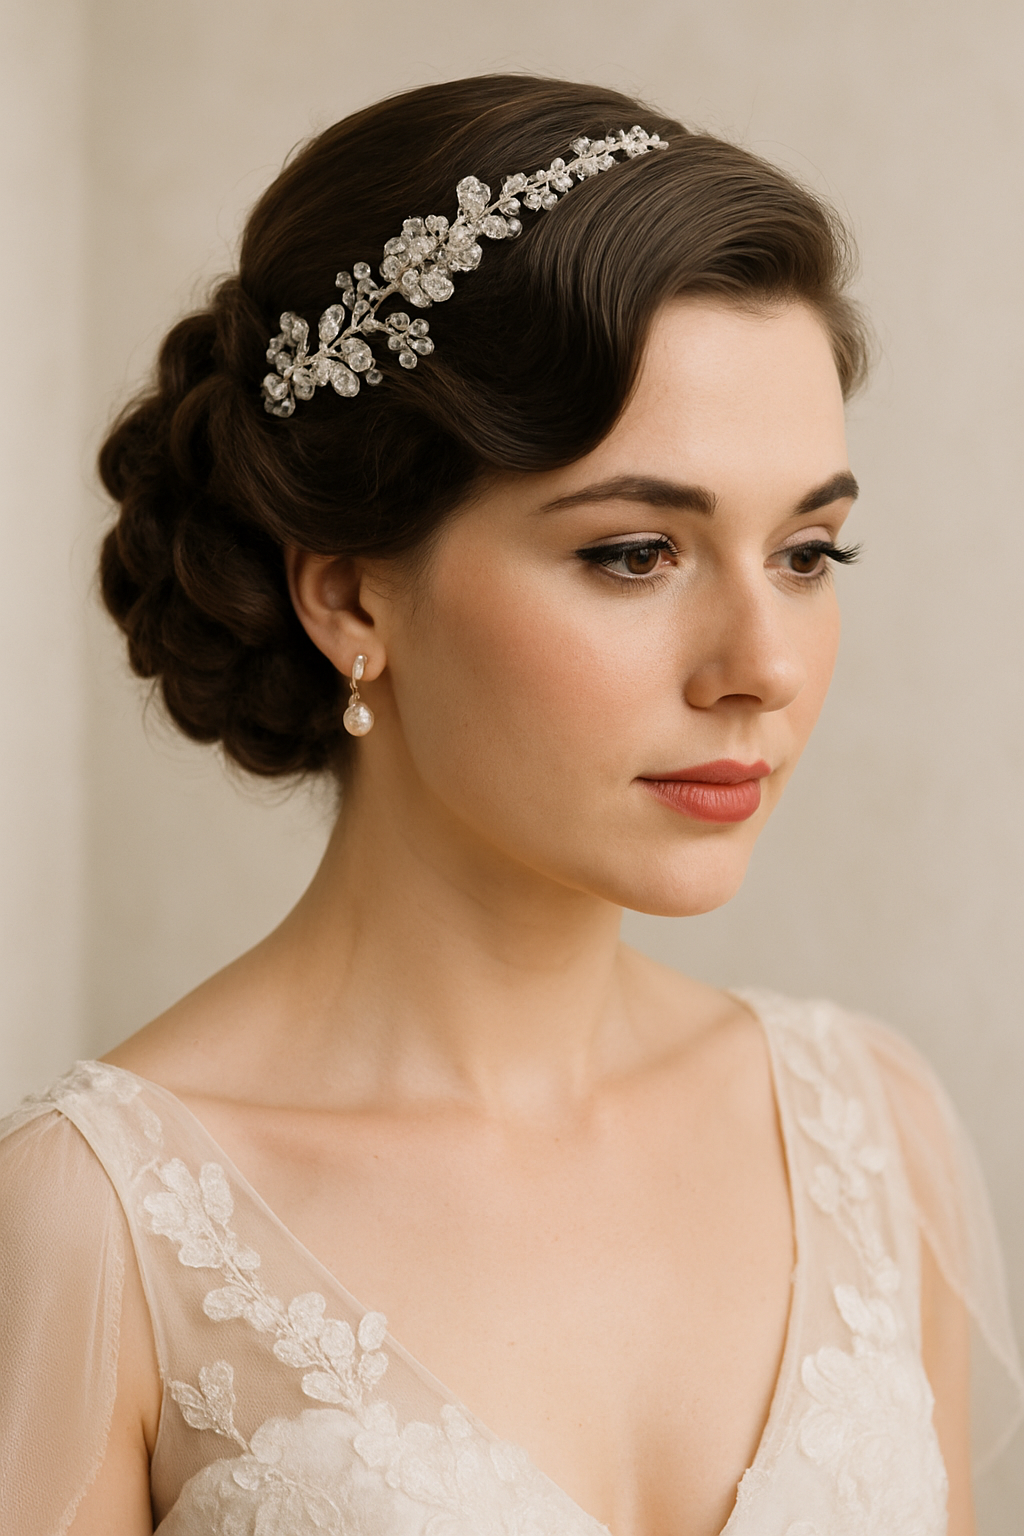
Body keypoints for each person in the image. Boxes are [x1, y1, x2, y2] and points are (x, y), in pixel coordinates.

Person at [1, 74, 1020, 1536]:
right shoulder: (94, 1217)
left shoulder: (868, 1129)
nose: (763, 668)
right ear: (351, 590)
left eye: (808, 553)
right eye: (633, 553)